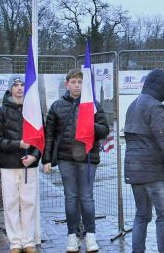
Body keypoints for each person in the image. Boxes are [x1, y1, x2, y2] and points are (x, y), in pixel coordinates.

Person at [41, 69, 109, 252]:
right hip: (65, 159)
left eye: (80, 82)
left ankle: (90, 235)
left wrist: (91, 125)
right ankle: (72, 235)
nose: (77, 85)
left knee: (86, 197)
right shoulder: (56, 106)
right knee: (70, 197)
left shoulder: (93, 105)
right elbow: (49, 135)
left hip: (88, 158)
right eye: (73, 82)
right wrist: (46, 159)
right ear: (67, 84)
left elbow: (104, 130)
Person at [124, 69, 164, 253]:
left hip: (133, 170)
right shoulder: (155, 107)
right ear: (161, 88)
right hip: (154, 172)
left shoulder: (133, 105)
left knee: (141, 215)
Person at [0, 75, 40, 253]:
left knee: (28, 203)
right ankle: (15, 242)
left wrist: (34, 156)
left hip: (29, 165)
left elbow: (41, 137)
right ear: (10, 89)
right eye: (16, 85)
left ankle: (28, 241)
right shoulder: (1, 112)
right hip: (9, 165)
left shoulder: (33, 109)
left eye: (22, 85)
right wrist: (17, 145)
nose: (19, 88)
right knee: (11, 203)